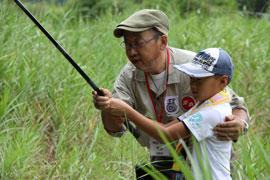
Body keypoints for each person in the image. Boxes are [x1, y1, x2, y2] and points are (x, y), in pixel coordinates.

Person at [92, 9, 249, 179]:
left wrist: (239, 123)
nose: (131, 52)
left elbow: (236, 105)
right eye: (127, 44)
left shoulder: (194, 67)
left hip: (206, 164)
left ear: (162, 41)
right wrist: (107, 107)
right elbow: (115, 129)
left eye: (138, 43)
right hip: (162, 159)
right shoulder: (127, 76)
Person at [100, 47, 235, 180]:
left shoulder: (213, 112)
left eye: (199, 80)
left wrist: (128, 112)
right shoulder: (203, 105)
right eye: (191, 78)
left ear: (222, 82)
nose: (193, 85)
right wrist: (110, 103)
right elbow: (168, 127)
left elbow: (166, 134)